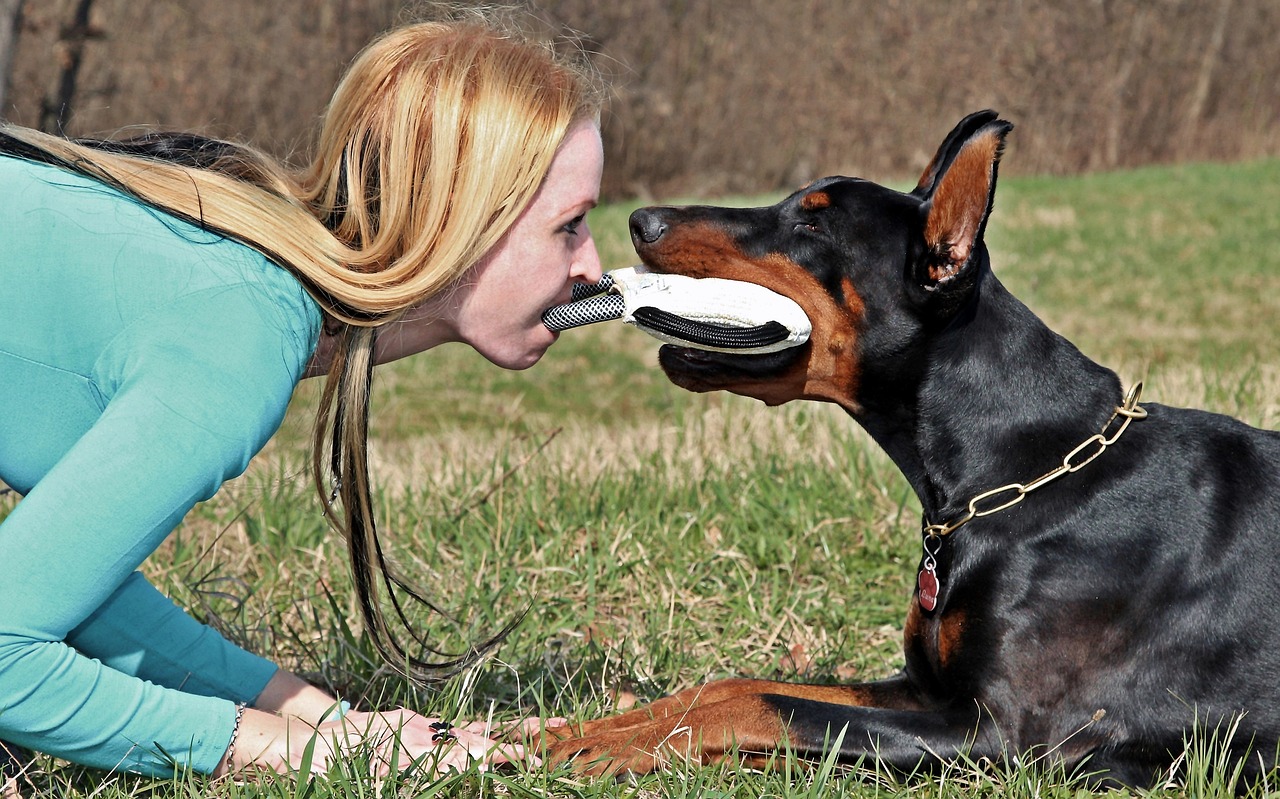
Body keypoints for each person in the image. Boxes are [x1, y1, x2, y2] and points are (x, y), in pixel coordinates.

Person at [0, 8, 606, 781]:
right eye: (571, 225)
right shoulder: (240, 336)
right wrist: (308, 753)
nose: (593, 267)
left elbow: (71, 595)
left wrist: (331, 719)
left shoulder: (245, 275)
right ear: (466, 219)